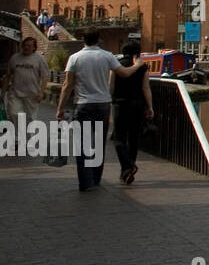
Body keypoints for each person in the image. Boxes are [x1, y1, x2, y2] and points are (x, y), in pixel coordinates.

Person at [55, 29, 146, 191]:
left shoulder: (74, 58)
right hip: (102, 104)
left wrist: (60, 108)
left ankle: (85, 181)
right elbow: (124, 73)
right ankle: (96, 179)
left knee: (82, 145)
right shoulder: (107, 56)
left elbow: (67, 85)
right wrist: (138, 65)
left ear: (83, 39)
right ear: (99, 39)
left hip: (83, 104)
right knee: (98, 144)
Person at [111, 42, 154, 185]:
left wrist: (112, 99)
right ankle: (127, 170)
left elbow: (110, 85)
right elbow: (146, 88)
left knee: (119, 138)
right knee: (134, 138)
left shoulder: (117, 65)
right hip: (137, 105)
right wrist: (150, 107)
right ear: (138, 52)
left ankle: (128, 167)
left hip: (120, 104)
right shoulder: (142, 67)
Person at [4, 36, 50, 122]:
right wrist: (3, 93)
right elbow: (8, 76)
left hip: (32, 94)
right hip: (15, 93)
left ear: (34, 48)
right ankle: (18, 134)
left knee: (30, 119)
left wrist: (41, 92)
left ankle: (28, 135)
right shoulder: (15, 58)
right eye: (24, 45)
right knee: (13, 113)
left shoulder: (39, 59)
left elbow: (45, 76)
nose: (26, 47)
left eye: (29, 46)